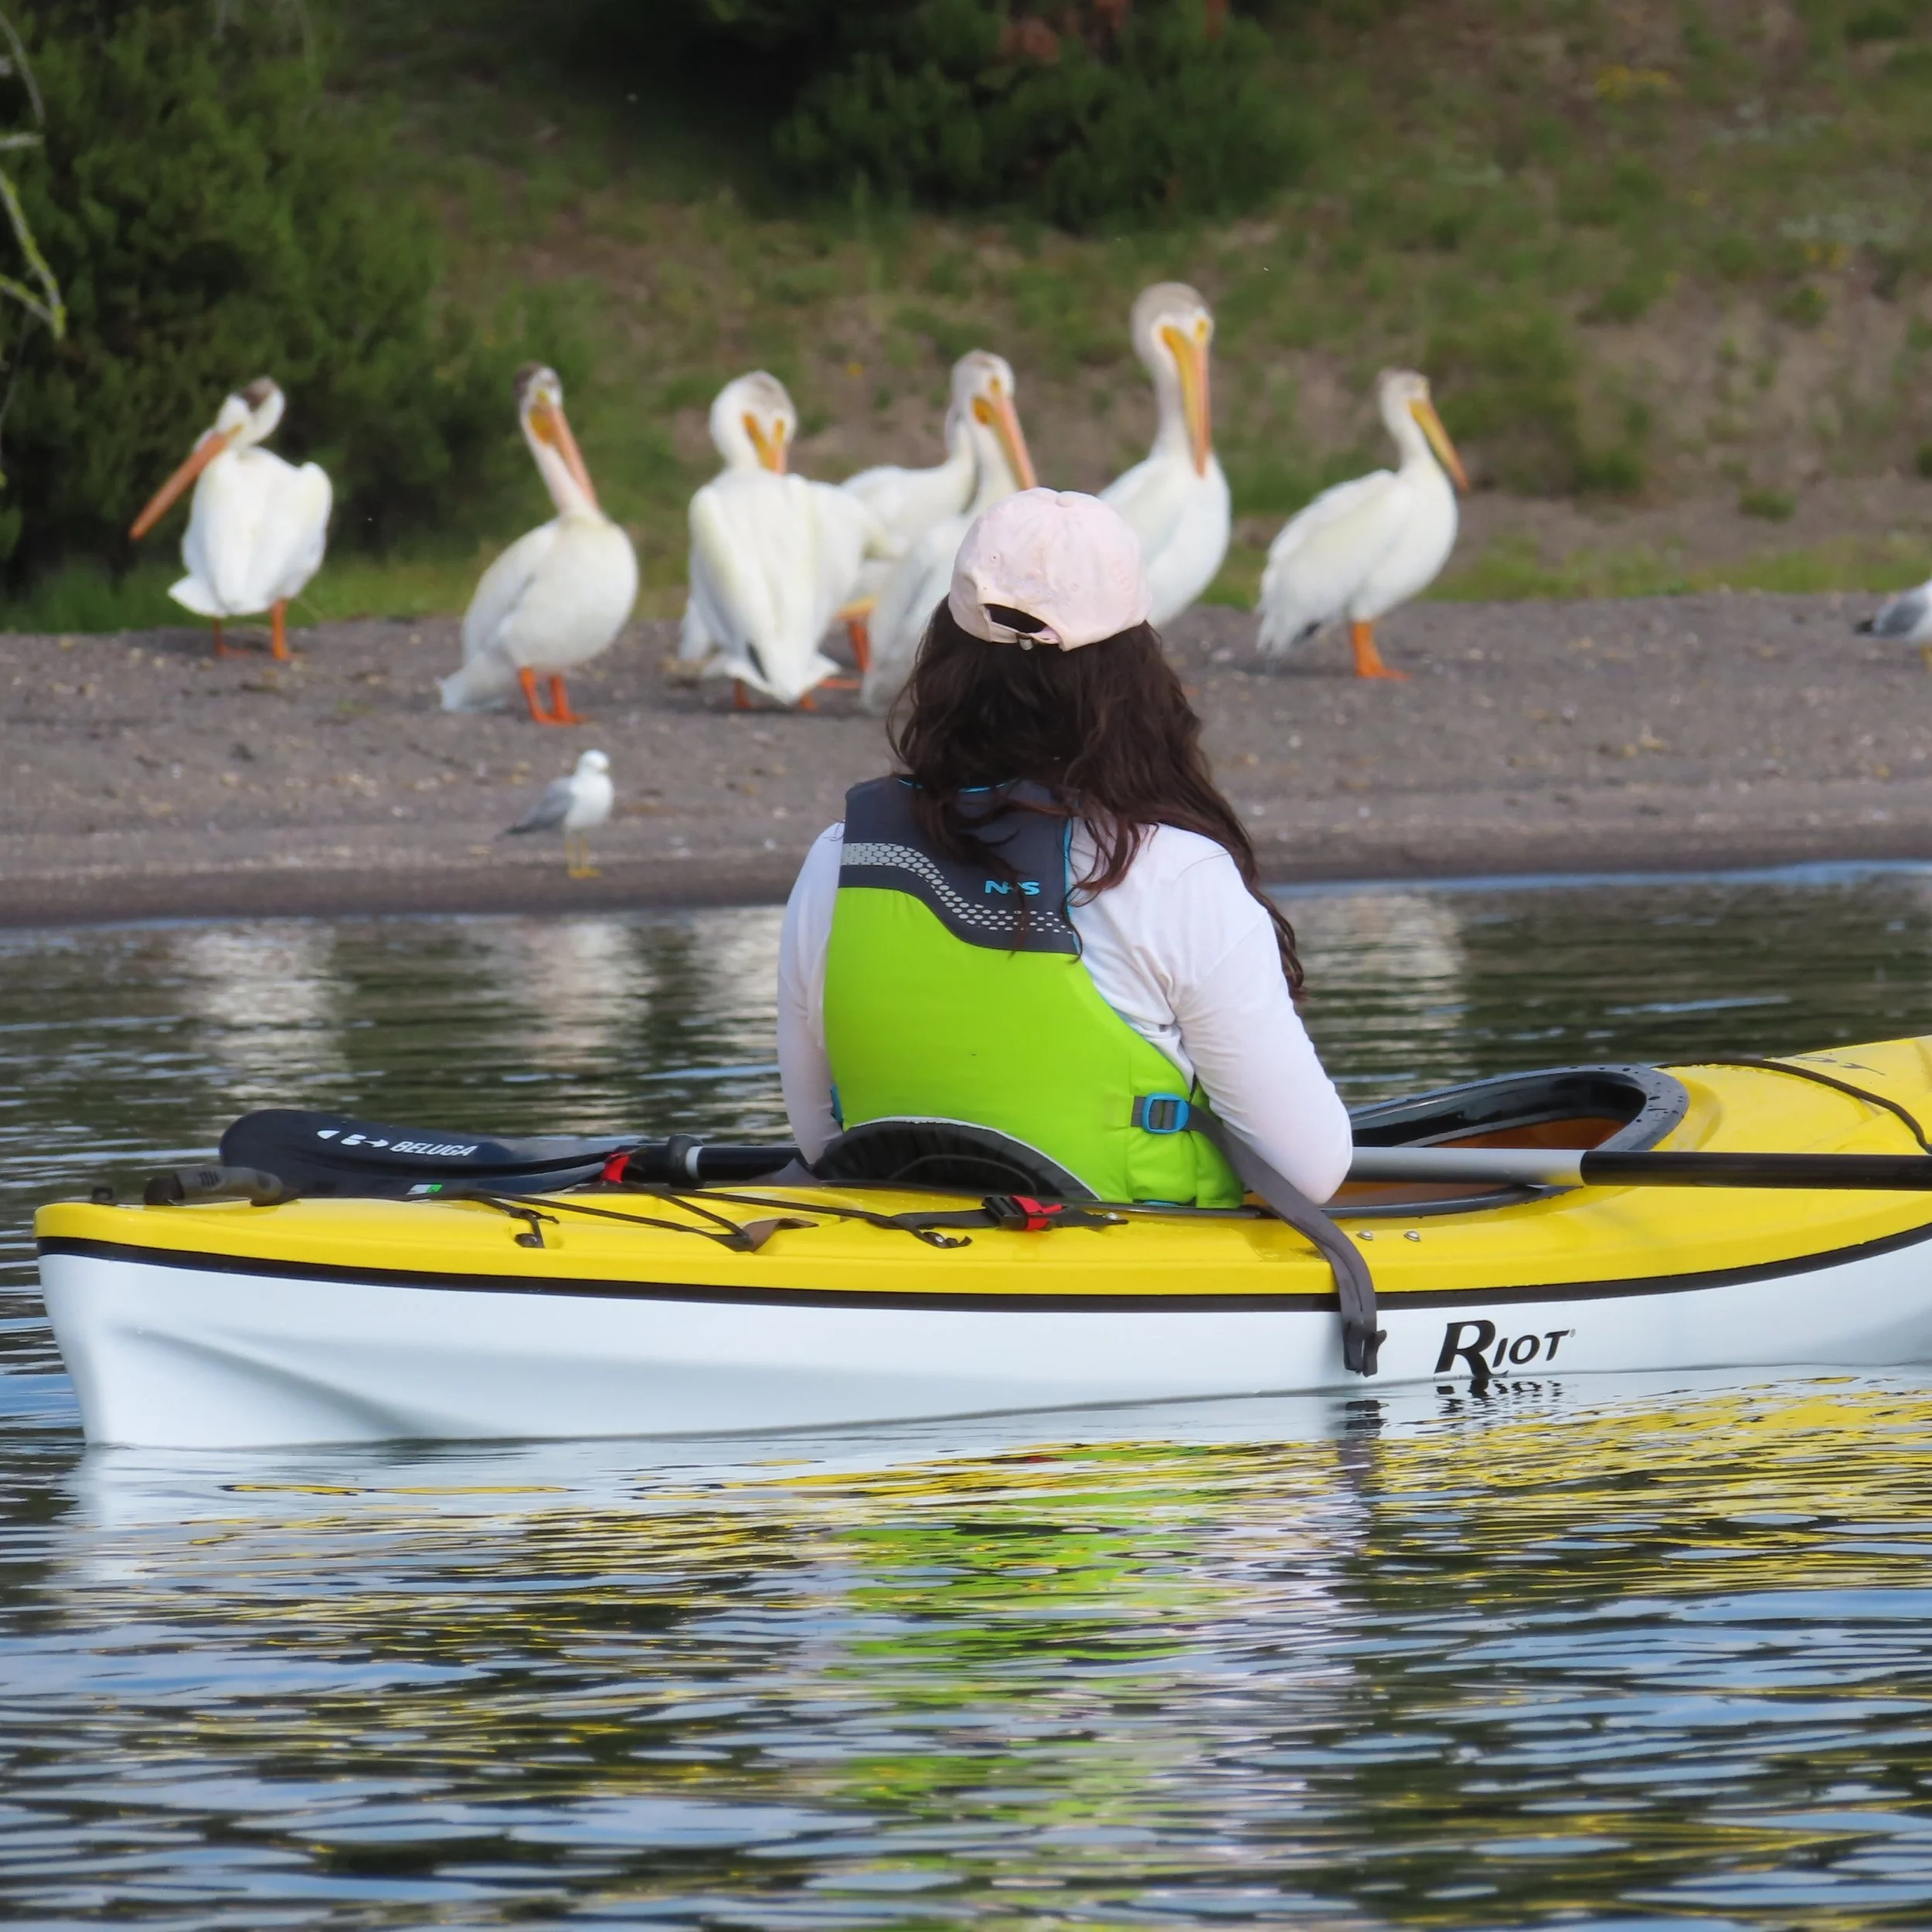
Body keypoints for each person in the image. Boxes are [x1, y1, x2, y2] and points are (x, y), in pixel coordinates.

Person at [777, 487, 1352, 1207]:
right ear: (1135, 674)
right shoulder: (1177, 876)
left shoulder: (839, 859)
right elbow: (1312, 1170)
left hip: (905, 1257)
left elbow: (816, 1142)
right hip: (1130, 1271)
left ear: (945, 659)